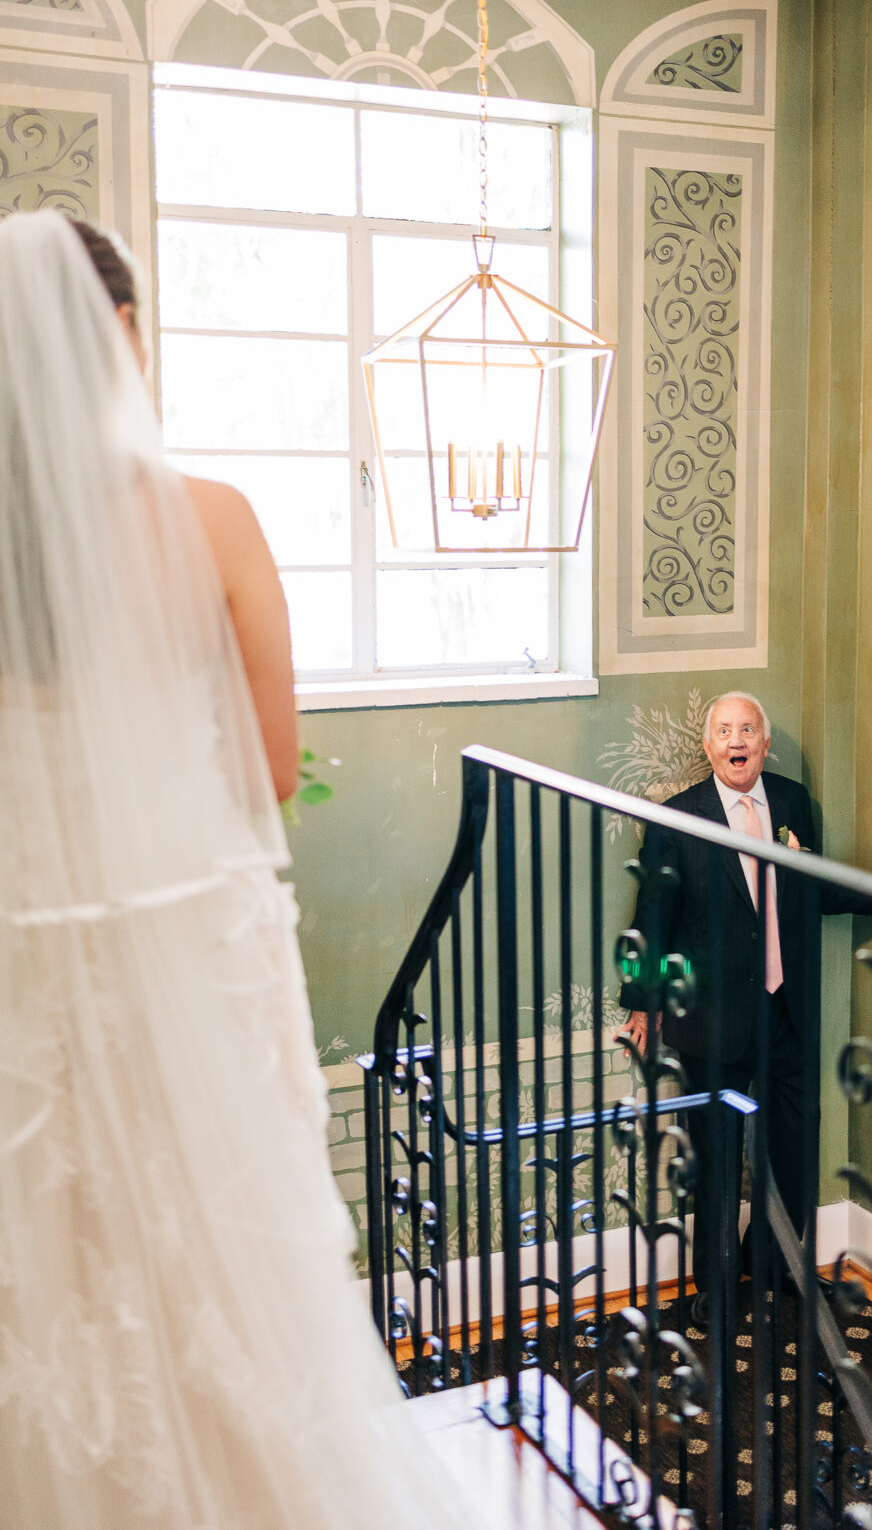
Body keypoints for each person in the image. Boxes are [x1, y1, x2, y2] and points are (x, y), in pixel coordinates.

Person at [0, 211, 469, 1528]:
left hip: (24, 980)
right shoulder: (208, 520)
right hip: (181, 967)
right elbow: (268, 767)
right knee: (217, 1267)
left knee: (52, 1278)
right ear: (120, 335)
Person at [618, 691, 872, 1316]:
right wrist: (643, 1003)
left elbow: (809, 888)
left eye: (747, 729)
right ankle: (717, 1287)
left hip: (786, 1011)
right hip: (711, 1020)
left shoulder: (793, 803)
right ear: (708, 746)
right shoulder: (675, 820)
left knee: (794, 1149)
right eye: (725, 730)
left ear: (765, 743)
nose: (737, 740)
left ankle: (775, 1266)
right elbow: (651, 919)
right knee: (717, 1160)